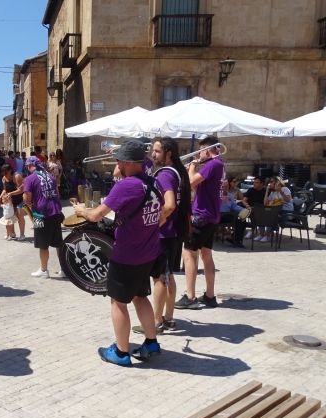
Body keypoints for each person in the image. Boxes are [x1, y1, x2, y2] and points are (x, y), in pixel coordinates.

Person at [73, 139, 165, 366]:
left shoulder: (126, 186)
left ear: (124, 161)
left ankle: (122, 353)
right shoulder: (155, 183)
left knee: (118, 302)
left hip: (127, 255)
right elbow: (161, 217)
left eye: (118, 160)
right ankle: (151, 342)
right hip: (149, 252)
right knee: (139, 296)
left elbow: (96, 216)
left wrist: (82, 210)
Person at [175, 136, 226, 309]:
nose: (200, 156)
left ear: (205, 150)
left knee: (188, 254)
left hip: (201, 216)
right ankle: (209, 296)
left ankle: (190, 296)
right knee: (206, 255)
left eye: (200, 152)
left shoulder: (211, 165)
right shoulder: (219, 166)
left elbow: (189, 183)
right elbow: (199, 189)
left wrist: (191, 168)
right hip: (212, 215)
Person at [151, 137, 190, 332]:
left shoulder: (165, 175)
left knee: (159, 279)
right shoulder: (179, 171)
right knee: (168, 276)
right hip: (174, 232)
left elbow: (170, 204)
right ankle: (169, 318)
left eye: (157, 151)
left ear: (168, 153)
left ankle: (156, 323)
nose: (152, 154)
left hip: (165, 234)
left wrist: (157, 220)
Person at [22, 157, 63, 278]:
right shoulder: (50, 176)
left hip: (41, 214)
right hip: (56, 212)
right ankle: (64, 269)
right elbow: (58, 194)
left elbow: (27, 199)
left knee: (43, 244)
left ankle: (44, 271)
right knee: (58, 243)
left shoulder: (30, 178)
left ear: (29, 166)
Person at [255, 176, 293, 243]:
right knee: (263, 212)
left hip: (286, 212)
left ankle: (268, 235)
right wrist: (267, 191)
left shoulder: (285, 189)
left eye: (271, 182)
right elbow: (265, 203)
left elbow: (288, 200)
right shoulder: (273, 192)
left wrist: (280, 191)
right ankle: (261, 234)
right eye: (269, 182)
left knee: (271, 214)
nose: (270, 183)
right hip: (276, 210)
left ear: (277, 182)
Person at [2, 164, 26, 241]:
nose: (4, 174)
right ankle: (12, 233)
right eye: (3, 172)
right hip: (11, 201)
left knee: (19, 216)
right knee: (11, 216)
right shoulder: (4, 178)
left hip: (20, 199)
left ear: (10, 171)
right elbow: (4, 190)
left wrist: (11, 193)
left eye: (6, 172)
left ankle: (22, 234)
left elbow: (21, 190)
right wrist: (0, 197)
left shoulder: (17, 176)